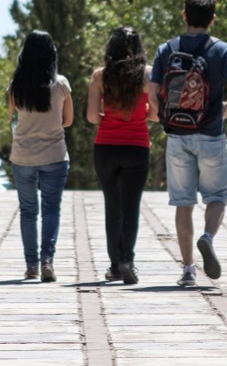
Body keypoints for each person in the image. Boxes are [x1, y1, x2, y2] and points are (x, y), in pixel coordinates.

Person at [148, 0, 227, 288]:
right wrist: (224, 111)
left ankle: (188, 269)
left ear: (184, 16)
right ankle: (208, 236)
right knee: (216, 197)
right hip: (212, 135)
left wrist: (164, 116)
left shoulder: (167, 49)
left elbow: (151, 94)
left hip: (177, 135)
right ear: (213, 18)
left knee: (183, 203)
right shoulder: (223, 50)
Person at [86, 26, 155, 285]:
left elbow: (92, 116)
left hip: (106, 147)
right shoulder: (148, 76)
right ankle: (127, 259)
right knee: (131, 206)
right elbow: (156, 115)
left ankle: (114, 266)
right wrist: (144, 110)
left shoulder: (100, 76)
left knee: (112, 206)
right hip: (136, 146)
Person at [7, 30, 73, 283]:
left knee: (27, 211)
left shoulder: (15, 86)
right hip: (55, 154)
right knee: (51, 210)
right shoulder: (61, 84)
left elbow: (10, 118)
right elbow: (68, 120)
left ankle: (31, 265)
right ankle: (47, 261)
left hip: (23, 155)